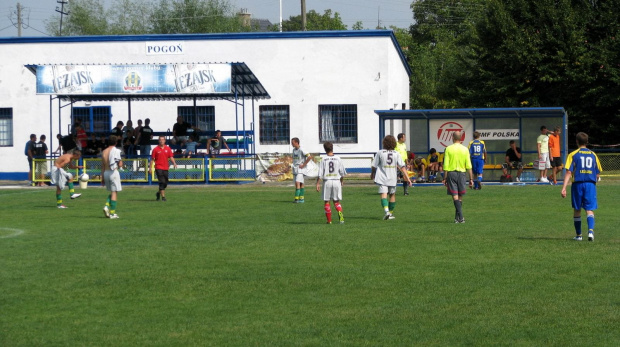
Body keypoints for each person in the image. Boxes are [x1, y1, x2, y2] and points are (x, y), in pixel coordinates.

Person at [561, 132, 602, 241]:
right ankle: (590, 232)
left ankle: (579, 235)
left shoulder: (573, 154)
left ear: (577, 141)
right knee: (589, 209)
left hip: (577, 185)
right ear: (587, 142)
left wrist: (564, 187)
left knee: (577, 209)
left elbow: (569, 172)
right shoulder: (593, 154)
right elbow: (598, 173)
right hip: (590, 185)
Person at [371, 135, 412, 220]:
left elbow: (374, 165)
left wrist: (372, 174)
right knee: (392, 195)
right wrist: (408, 179)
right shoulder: (396, 154)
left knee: (384, 194)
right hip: (392, 178)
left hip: (382, 177)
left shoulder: (380, 152)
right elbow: (402, 167)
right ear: (394, 143)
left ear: (384, 143)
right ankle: (390, 213)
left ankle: (386, 211)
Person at [442, 131, 474, 223]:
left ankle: (460, 217)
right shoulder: (465, 149)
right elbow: (469, 165)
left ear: (453, 137)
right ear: (461, 138)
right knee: (460, 196)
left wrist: (444, 178)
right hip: (462, 174)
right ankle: (458, 218)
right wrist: (471, 179)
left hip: (451, 174)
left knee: (455, 196)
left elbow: (446, 165)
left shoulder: (448, 148)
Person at [315, 142, 347, 224]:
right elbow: (342, 172)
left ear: (325, 149)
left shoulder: (324, 159)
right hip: (336, 181)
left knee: (327, 201)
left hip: (327, 181)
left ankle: (329, 221)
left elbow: (320, 173)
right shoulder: (338, 158)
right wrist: (342, 181)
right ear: (332, 148)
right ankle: (341, 217)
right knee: (336, 201)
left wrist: (318, 183)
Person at [101, 135, 123, 219]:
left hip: (106, 172)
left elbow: (102, 165)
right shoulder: (116, 150)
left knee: (112, 192)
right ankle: (112, 212)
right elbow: (119, 163)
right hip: (113, 172)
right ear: (116, 142)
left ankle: (107, 206)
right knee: (114, 192)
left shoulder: (104, 151)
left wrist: (102, 177)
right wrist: (121, 164)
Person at [151, 135, 177, 201]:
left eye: (163, 139)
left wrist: (174, 163)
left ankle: (158, 193)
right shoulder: (155, 149)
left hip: (165, 167)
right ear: (158, 140)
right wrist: (150, 168)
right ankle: (163, 197)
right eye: (160, 139)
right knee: (162, 181)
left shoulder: (168, 148)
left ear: (165, 141)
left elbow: (171, 156)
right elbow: (152, 159)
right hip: (158, 167)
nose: (161, 141)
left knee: (165, 182)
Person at [291, 137, 313, 203]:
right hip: (295, 168)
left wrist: (303, 165)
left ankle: (296, 199)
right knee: (300, 183)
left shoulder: (302, 149)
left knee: (298, 182)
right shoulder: (294, 150)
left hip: (300, 169)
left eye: (292, 143)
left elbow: (309, 157)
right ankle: (301, 199)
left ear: (297, 142)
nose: (292, 144)